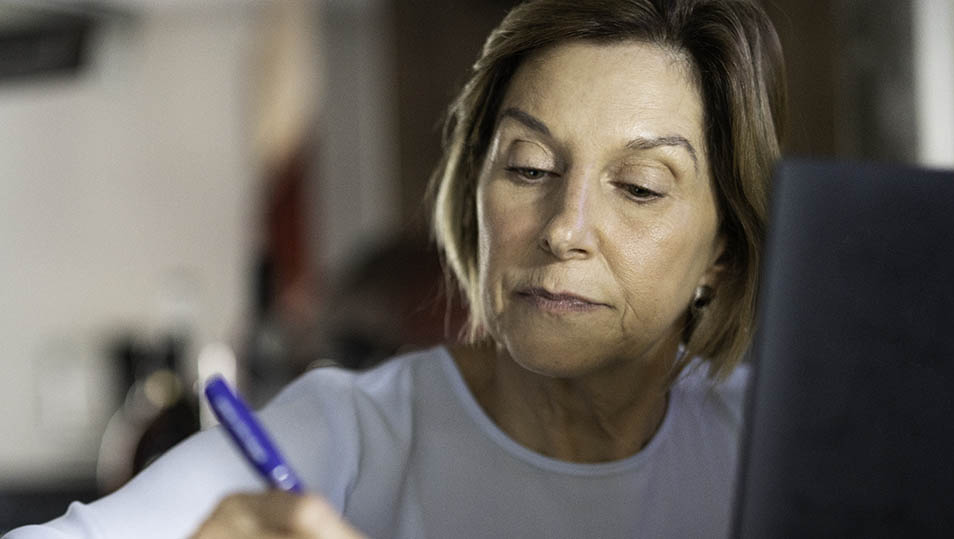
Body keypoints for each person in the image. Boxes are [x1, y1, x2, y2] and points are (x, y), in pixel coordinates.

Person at [4, 0, 785, 537]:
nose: (566, 229)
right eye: (529, 166)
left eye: (640, 187)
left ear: (722, 249)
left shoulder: (777, 446)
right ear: (475, 187)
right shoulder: (345, 435)